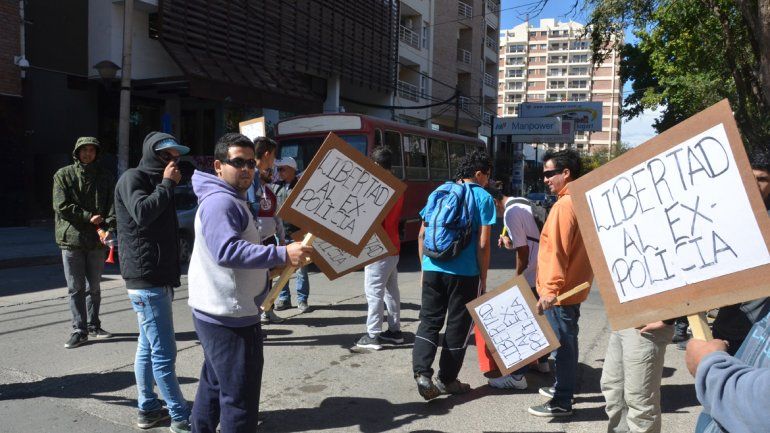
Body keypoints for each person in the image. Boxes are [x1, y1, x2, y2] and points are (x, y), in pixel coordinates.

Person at [187, 133, 311, 433]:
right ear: (219, 166)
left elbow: (235, 254)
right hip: (229, 318)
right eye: (237, 162)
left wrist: (272, 266)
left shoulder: (231, 199)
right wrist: (280, 252)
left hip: (219, 312)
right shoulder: (221, 202)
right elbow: (226, 251)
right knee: (239, 400)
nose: (246, 169)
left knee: (215, 385)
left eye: (250, 163)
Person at [686, 145, 770, 433]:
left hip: (755, 338)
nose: (755, 185)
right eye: (750, 177)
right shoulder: (728, 217)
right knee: (716, 408)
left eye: (763, 179)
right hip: (726, 330)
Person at [114, 132, 191, 432]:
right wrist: (167, 184)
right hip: (146, 279)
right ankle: (179, 416)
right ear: (152, 154)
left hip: (156, 275)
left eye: (176, 156)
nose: (173, 161)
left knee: (148, 347)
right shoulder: (134, 178)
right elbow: (143, 214)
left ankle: (147, 408)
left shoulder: (158, 182)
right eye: (166, 155)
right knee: (164, 353)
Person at [412, 150, 496, 400]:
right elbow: (483, 244)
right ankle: (447, 380)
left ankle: (422, 374)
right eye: (487, 176)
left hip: (432, 267)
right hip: (464, 273)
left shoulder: (439, 192)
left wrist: (424, 267)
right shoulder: (483, 197)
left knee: (429, 321)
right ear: (478, 174)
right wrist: (483, 277)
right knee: (457, 327)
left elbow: (420, 235)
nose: (488, 181)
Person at [528, 149, 594, 418]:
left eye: (549, 174)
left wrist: (550, 291)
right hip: (572, 289)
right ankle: (562, 387)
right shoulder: (579, 200)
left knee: (563, 347)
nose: (545, 179)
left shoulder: (564, 205)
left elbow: (557, 250)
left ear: (566, 173)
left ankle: (562, 400)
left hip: (561, 293)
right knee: (567, 342)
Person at [53, 136, 116, 348]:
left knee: (95, 287)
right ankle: (78, 329)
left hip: (97, 241)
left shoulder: (106, 177)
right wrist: (88, 216)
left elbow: (112, 207)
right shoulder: (63, 175)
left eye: (92, 150)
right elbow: (61, 205)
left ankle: (93, 325)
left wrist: (108, 227)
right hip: (71, 239)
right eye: (84, 150)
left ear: (97, 153)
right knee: (76, 287)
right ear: (77, 152)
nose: (88, 153)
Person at [483, 187, 548, 389]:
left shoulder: (510, 213)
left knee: (524, 323)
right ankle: (543, 362)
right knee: (539, 317)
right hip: (543, 266)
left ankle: (517, 376)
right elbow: (527, 239)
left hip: (531, 272)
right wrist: (509, 242)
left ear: (494, 201)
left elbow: (523, 250)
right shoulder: (521, 201)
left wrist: (517, 278)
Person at [355, 146, 405, 350]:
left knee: (374, 292)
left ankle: (373, 335)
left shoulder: (378, 187)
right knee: (391, 291)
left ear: (375, 165)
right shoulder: (398, 186)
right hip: (393, 246)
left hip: (378, 247)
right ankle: (395, 331)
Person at [601, 321, 674, 433]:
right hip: (622, 322)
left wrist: (668, 320)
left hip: (645, 327)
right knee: (614, 390)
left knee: (640, 401)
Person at [246, 137, 285, 324]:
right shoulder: (250, 178)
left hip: (267, 240)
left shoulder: (266, 189)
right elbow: (250, 211)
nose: (274, 162)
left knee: (266, 279)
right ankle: (254, 317)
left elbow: (276, 216)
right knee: (255, 282)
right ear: (267, 154)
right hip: (255, 241)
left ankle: (266, 310)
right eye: (274, 156)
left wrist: (280, 238)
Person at [270, 156, 311, 313]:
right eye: (278, 169)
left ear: (292, 170)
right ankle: (284, 299)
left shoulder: (301, 186)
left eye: (282, 169)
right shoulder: (275, 187)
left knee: (301, 270)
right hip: (280, 234)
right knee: (281, 269)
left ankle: (302, 300)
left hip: (297, 234)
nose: (279, 172)